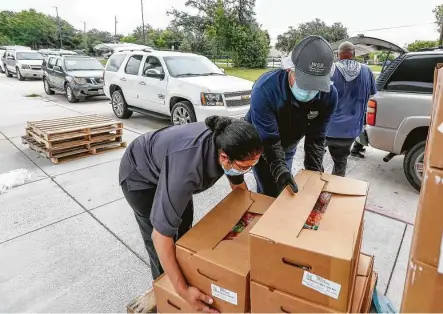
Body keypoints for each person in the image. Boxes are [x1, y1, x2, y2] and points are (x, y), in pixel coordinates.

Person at [119, 116, 263, 313]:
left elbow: (238, 185)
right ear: (224, 158)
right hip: (141, 178)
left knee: (185, 232)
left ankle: (187, 274)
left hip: (170, 165)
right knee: (161, 239)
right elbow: (160, 237)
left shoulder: (228, 139)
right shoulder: (186, 171)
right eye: (245, 166)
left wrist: (251, 212)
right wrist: (184, 291)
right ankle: (168, 295)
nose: (248, 170)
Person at [246, 35, 338, 197]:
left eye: (315, 86)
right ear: (290, 69)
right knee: (269, 190)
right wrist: (279, 170)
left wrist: (314, 173)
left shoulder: (329, 96)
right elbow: (268, 140)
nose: (309, 91)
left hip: (289, 143)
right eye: (305, 83)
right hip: (262, 142)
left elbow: (316, 138)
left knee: (287, 189)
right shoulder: (265, 90)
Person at [326, 41, 377, 176]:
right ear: (353, 54)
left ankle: (315, 187)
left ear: (338, 55)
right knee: (340, 163)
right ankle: (335, 189)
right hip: (351, 129)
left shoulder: (330, 70)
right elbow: (372, 92)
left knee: (314, 159)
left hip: (327, 128)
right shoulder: (366, 71)